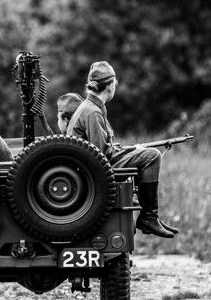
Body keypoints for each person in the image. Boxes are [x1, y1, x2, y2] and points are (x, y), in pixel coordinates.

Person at [66, 61, 177, 239]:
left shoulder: (91, 108)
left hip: (88, 166)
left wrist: (131, 149)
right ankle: (148, 217)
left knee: (144, 154)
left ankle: (150, 216)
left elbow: (101, 148)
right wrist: (133, 152)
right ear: (110, 86)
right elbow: (102, 155)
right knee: (152, 156)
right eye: (115, 84)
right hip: (93, 170)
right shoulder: (92, 112)